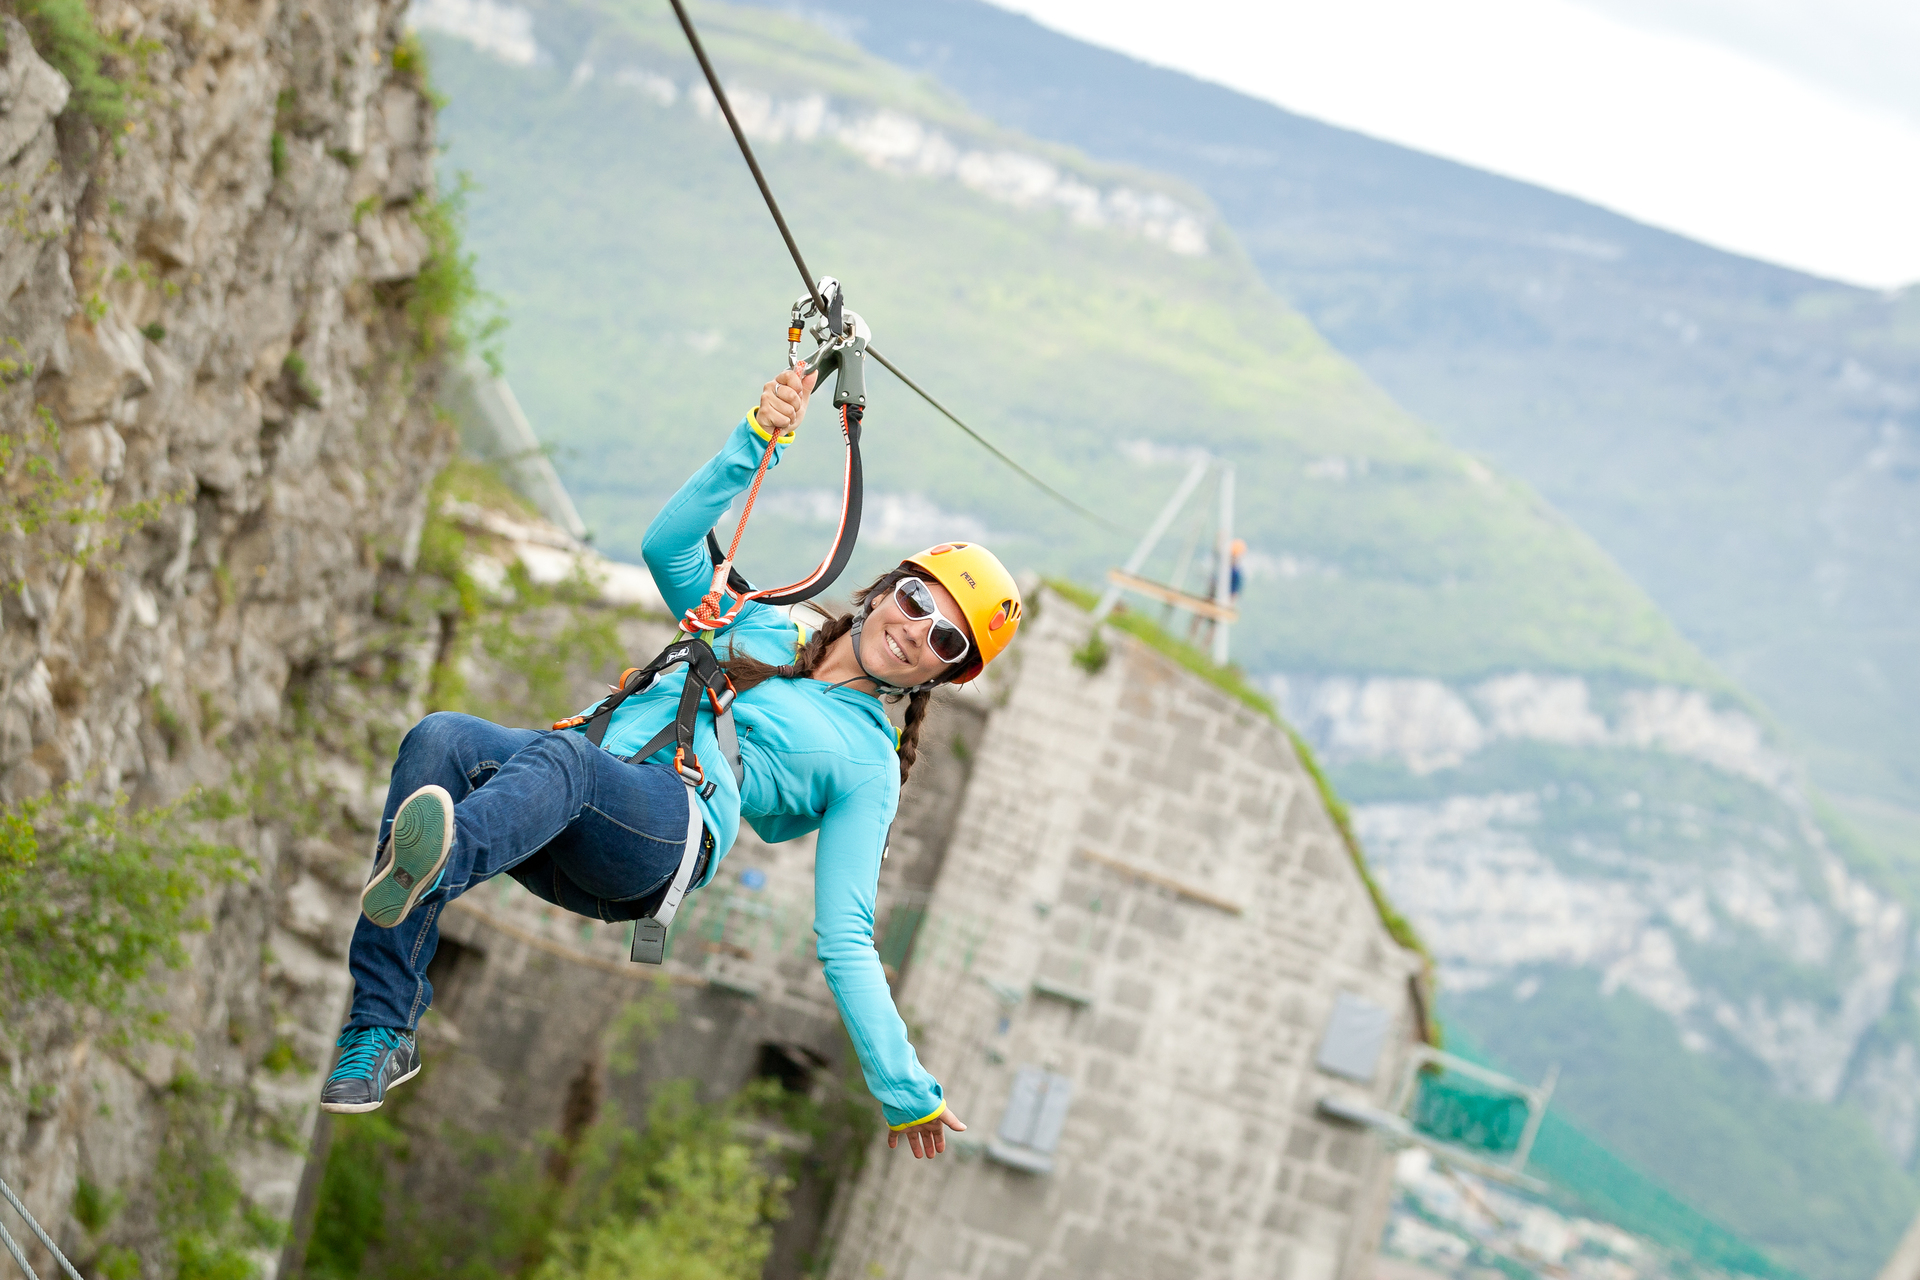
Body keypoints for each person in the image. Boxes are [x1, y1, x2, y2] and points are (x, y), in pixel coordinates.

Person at [320, 364, 1024, 1162]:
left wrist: (904, 1086)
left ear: (940, 675)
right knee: (440, 738)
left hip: (657, 840)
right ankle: (382, 1030)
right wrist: (756, 439)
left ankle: (434, 863)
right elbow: (669, 547)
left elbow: (847, 935)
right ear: (888, 588)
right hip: (555, 801)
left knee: (563, 765)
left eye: (944, 640)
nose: (915, 629)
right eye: (918, 601)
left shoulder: (868, 766)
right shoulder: (763, 625)